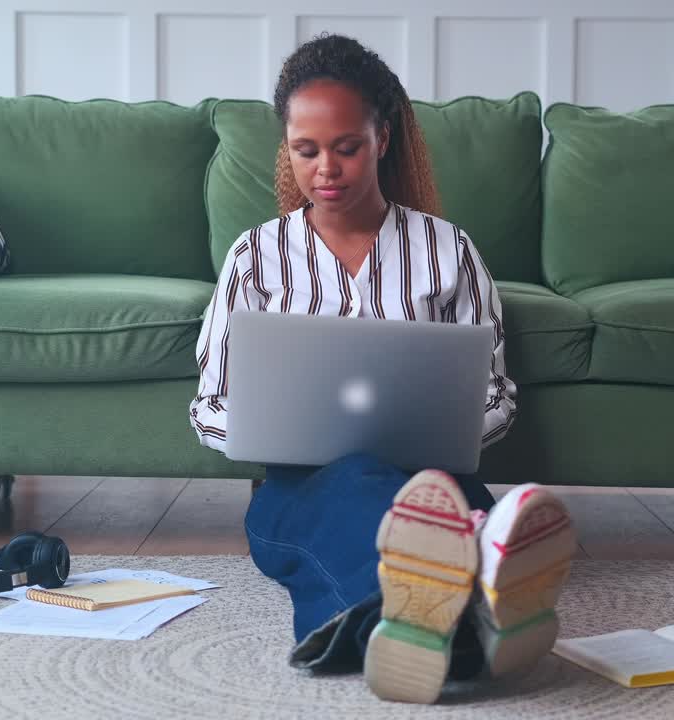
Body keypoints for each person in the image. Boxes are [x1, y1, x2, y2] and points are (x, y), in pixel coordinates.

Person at [189, 34, 576, 704]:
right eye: (306, 150)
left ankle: (414, 627)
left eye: (347, 146)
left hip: (434, 478)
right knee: (368, 493)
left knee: (432, 500)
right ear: (287, 150)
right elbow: (210, 401)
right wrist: (257, 431)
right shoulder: (257, 256)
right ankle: (478, 612)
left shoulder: (446, 250)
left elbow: (495, 393)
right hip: (298, 488)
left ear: (383, 139)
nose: (326, 169)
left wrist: (452, 430)